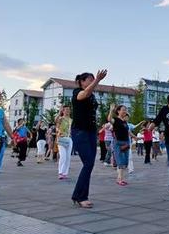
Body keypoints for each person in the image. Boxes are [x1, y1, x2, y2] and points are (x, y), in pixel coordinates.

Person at [71, 70, 107, 208]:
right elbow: (83, 94)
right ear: (82, 81)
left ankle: (78, 195)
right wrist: (97, 80)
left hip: (91, 132)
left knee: (90, 163)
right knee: (88, 163)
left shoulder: (92, 95)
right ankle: (81, 196)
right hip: (80, 132)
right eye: (90, 80)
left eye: (93, 79)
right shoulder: (77, 92)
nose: (92, 82)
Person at [108, 105, 131, 186]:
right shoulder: (116, 120)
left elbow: (127, 131)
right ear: (118, 111)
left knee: (125, 161)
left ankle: (119, 178)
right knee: (120, 161)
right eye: (123, 110)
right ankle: (120, 179)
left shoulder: (124, 121)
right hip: (118, 143)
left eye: (125, 110)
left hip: (126, 142)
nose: (125, 111)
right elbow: (109, 119)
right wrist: (111, 110)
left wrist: (134, 137)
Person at [56, 106, 73, 180]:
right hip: (61, 138)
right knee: (63, 156)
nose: (67, 111)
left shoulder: (71, 120)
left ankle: (65, 173)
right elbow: (56, 120)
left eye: (68, 110)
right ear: (63, 111)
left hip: (69, 139)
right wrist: (59, 113)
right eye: (66, 110)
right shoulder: (61, 118)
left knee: (68, 157)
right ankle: (60, 172)